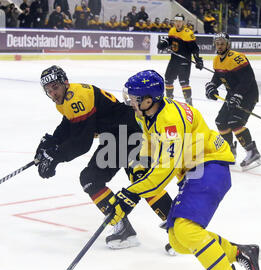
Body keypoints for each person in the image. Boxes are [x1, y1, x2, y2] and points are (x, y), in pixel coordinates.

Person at [108, 69, 261, 270]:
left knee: (184, 229)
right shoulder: (146, 114)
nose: (129, 101)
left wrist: (131, 193)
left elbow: (163, 172)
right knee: (177, 240)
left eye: (133, 98)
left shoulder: (171, 122)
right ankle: (243, 252)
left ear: (148, 100)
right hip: (194, 169)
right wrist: (141, 169)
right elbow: (149, 142)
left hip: (210, 166)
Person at [35, 65, 174, 252]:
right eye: (49, 90)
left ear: (64, 82)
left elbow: (81, 142)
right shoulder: (68, 97)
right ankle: (173, 228)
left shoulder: (77, 97)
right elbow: (69, 123)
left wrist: (55, 156)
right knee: (140, 180)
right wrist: (51, 142)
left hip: (126, 134)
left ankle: (171, 230)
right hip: (123, 133)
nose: (52, 93)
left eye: (55, 87)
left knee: (94, 179)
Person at [205, 32, 261, 171]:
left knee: (235, 122)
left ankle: (252, 152)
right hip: (233, 94)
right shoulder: (217, 60)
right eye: (217, 43)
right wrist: (212, 86)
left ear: (228, 44)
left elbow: (247, 79)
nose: (219, 46)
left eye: (222, 43)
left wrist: (238, 95)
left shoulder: (237, 58)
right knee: (221, 122)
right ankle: (229, 151)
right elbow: (218, 76)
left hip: (248, 94)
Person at [157, 13, 203, 106]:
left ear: (183, 22)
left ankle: (189, 103)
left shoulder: (188, 33)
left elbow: (194, 48)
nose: (178, 23)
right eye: (176, 21)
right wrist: (164, 43)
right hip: (174, 60)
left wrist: (198, 60)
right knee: (168, 80)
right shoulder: (172, 30)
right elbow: (170, 41)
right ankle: (169, 100)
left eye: (180, 21)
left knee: (184, 82)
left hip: (184, 61)